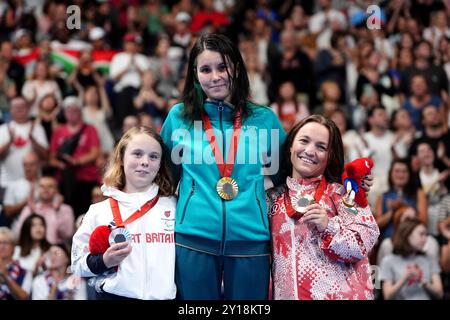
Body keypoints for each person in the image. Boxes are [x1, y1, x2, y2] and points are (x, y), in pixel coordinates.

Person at [160, 33, 286, 300]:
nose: (215, 76)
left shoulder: (264, 120)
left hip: (251, 240)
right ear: (195, 74)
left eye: (222, 67)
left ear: (236, 68)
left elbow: (288, 177)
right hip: (193, 239)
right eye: (205, 69)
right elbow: (164, 179)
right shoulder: (179, 118)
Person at [267, 115, 379, 300]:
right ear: (290, 146)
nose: (310, 151)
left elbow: (364, 241)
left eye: (321, 147)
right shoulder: (271, 199)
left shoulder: (342, 194)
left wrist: (328, 226)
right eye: (304, 141)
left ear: (330, 156)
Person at [71, 126, 176, 300]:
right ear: (121, 157)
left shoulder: (173, 206)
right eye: (137, 154)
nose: (145, 162)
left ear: (160, 164)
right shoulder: (99, 211)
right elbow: (77, 264)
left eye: (153, 156)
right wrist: (104, 261)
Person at [380, 218, 443, 300]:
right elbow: (387, 296)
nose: (425, 239)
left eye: (426, 234)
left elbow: (440, 294)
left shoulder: (430, 259)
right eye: (421, 234)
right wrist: (405, 278)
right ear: (407, 234)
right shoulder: (388, 261)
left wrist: (422, 281)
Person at [0, 227, 32, 300]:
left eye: (5, 243)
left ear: (13, 247)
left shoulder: (25, 272)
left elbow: (24, 297)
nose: (1, 247)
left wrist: (5, 275)